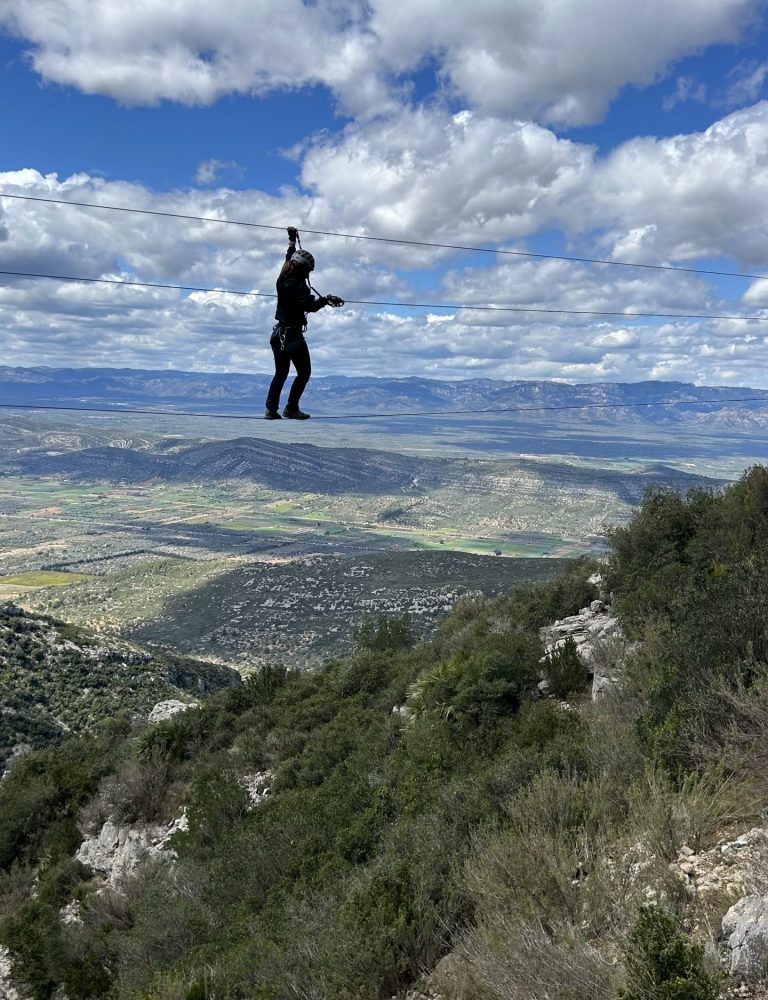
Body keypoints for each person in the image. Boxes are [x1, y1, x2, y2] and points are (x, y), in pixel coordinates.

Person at [265, 226, 343, 420]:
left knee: (280, 373)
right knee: (304, 373)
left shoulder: (282, 277)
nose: (309, 273)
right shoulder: (298, 286)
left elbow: (289, 256)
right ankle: (291, 408)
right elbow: (312, 306)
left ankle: (270, 410)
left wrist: (292, 240)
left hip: (277, 334)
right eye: (308, 270)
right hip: (292, 335)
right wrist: (326, 299)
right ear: (303, 269)